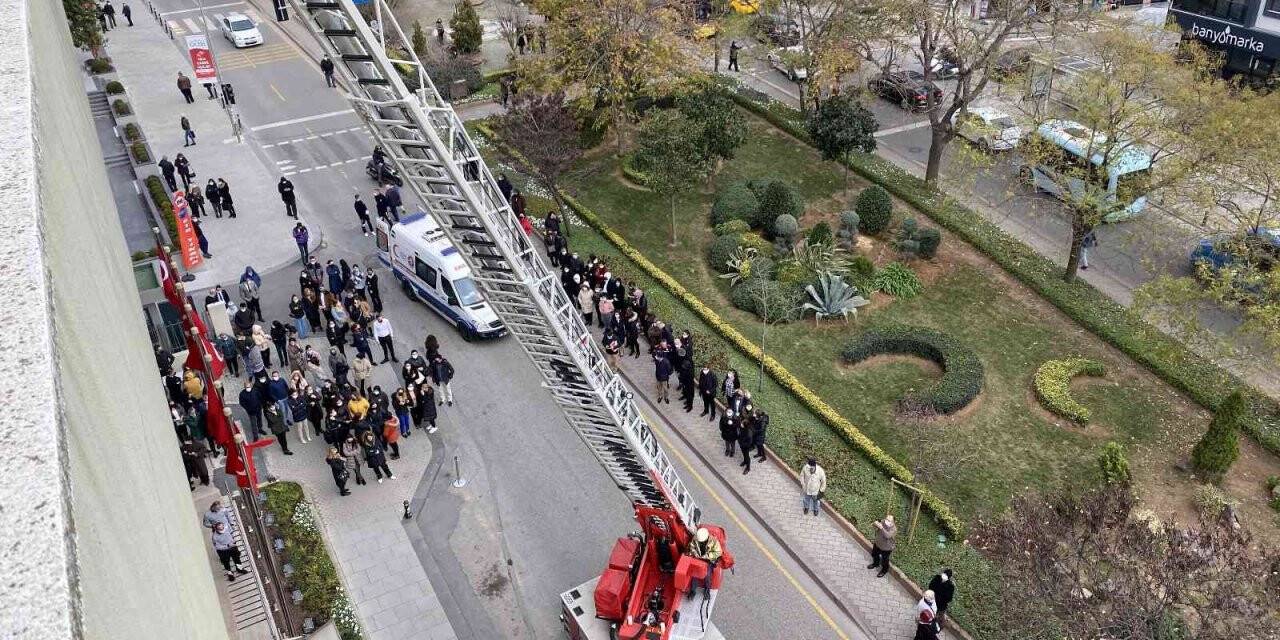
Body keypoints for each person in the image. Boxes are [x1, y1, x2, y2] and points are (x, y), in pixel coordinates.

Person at [685, 527, 722, 598]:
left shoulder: (714, 541)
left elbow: (718, 552)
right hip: (698, 559)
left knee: (707, 575)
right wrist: (694, 553)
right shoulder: (696, 539)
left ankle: (707, 590)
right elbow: (691, 547)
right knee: (694, 575)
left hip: (708, 560)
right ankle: (693, 591)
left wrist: (707, 556)